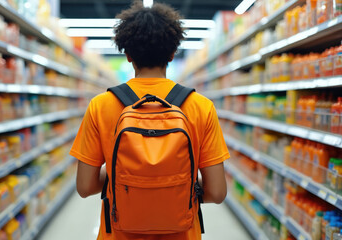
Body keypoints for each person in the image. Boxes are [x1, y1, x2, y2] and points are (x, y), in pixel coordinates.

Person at [70, 1, 230, 239]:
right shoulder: (201, 106)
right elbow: (216, 192)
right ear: (173, 53)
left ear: (127, 54)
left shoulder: (101, 105)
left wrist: (123, 177)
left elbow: (85, 187)